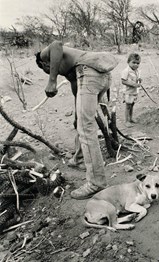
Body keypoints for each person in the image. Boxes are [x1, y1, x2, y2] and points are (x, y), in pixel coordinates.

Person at [35, 41, 118, 199]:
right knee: (83, 124)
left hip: (90, 72)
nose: (51, 71)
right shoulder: (71, 69)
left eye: (47, 70)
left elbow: (56, 45)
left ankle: (96, 183)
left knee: (86, 129)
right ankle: (79, 158)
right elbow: (77, 91)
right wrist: (76, 116)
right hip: (102, 75)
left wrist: (52, 80)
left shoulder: (44, 55)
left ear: (44, 63)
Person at [121, 52, 141, 126]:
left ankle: (131, 118)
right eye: (134, 62)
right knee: (128, 106)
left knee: (132, 105)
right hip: (128, 92)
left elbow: (137, 78)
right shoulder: (126, 71)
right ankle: (126, 121)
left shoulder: (137, 71)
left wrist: (139, 80)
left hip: (134, 91)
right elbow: (123, 81)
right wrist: (134, 84)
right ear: (128, 62)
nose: (136, 65)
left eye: (138, 63)